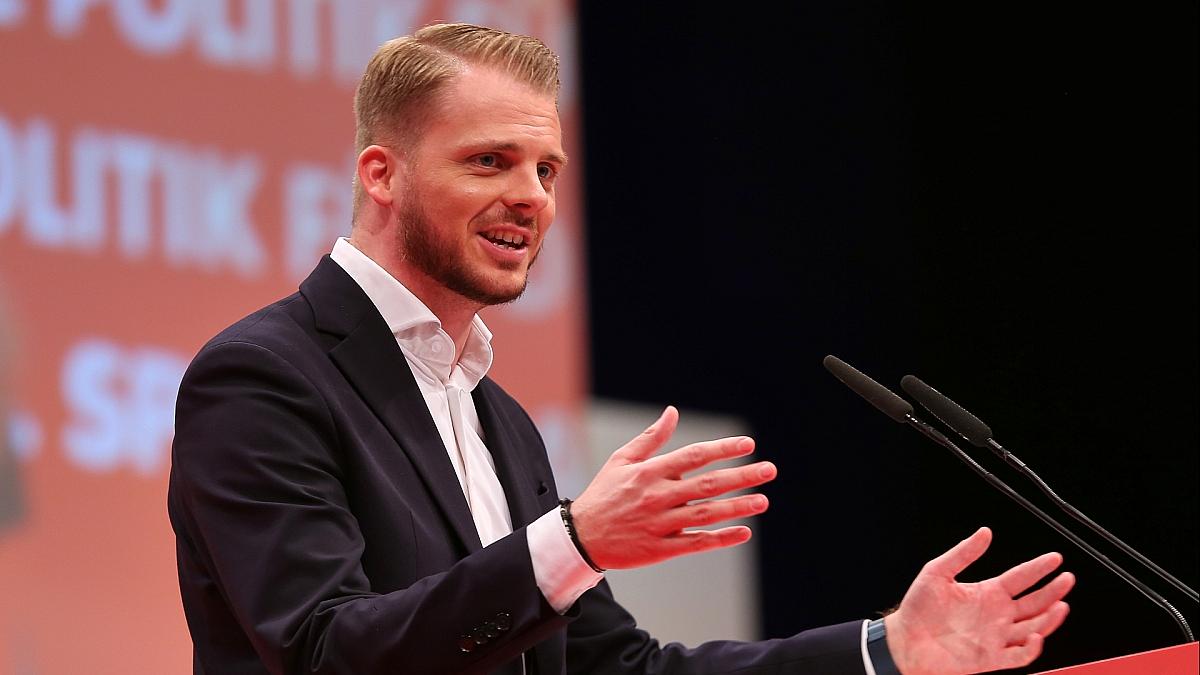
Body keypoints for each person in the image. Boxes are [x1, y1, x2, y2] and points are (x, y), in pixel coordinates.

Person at [167, 22, 1074, 675]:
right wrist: (573, 540)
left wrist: (885, 648)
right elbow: (324, 649)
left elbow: (623, 669)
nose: (533, 197)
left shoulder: (498, 421)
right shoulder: (264, 375)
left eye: (546, 169)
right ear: (382, 175)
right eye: (489, 161)